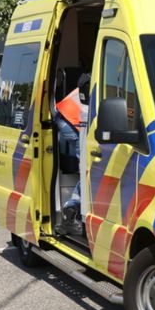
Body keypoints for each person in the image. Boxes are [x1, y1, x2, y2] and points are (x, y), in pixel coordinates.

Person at [54, 74, 90, 236]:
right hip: (69, 120)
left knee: (86, 169)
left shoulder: (91, 80)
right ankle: (71, 209)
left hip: (65, 116)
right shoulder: (94, 85)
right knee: (88, 168)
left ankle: (71, 209)